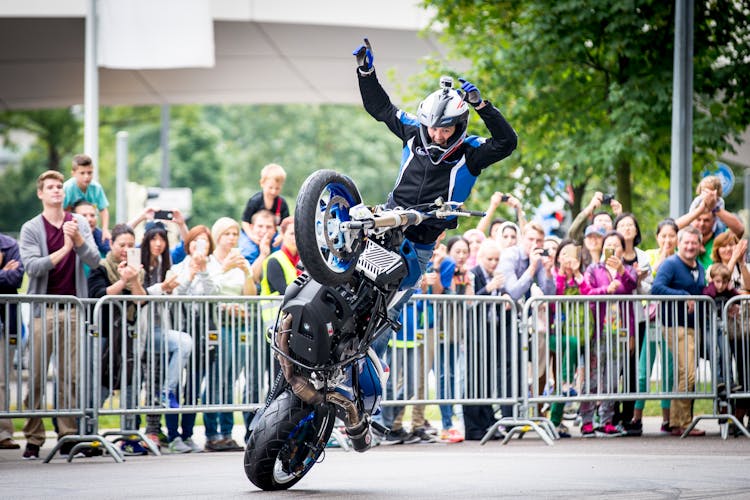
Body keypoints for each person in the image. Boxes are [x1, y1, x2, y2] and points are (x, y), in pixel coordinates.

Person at [353, 36, 517, 283]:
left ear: (459, 127)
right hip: (388, 225)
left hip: (421, 242)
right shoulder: (412, 130)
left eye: (445, 130)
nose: (437, 135)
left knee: (393, 301)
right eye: (432, 128)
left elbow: (507, 142)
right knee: (353, 281)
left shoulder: (471, 152)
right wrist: (366, 73)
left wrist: (482, 107)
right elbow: (381, 108)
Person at [19, 170, 101, 459]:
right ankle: (34, 435)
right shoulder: (31, 228)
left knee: (70, 376)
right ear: (41, 193)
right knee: (38, 375)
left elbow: (95, 260)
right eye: (50, 187)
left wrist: (77, 240)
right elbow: (32, 267)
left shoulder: (77, 223)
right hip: (45, 310)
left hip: (73, 307)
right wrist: (64, 248)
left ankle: (67, 433)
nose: (56, 191)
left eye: (59, 187)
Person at [88, 223, 149, 456]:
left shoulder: (138, 271)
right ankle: (91, 435)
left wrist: (133, 280)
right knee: (100, 384)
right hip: (103, 335)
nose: (126, 249)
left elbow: (142, 301)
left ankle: (130, 435)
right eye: (121, 244)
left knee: (131, 384)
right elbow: (98, 295)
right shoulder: (100, 268)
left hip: (129, 335)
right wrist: (122, 281)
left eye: (131, 245)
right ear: (111, 244)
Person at [139, 221, 194, 453]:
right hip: (141, 333)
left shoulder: (165, 264)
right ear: (146, 240)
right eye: (154, 238)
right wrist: (161, 287)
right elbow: (138, 295)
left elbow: (185, 246)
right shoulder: (138, 265)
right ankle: (134, 433)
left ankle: (154, 426)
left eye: (162, 239)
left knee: (155, 377)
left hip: (161, 331)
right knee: (137, 384)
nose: (159, 243)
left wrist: (170, 287)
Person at [204, 217, 256, 452]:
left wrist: (246, 272)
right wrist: (225, 269)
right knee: (217, 380)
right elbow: (206, 290)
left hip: (239, 325)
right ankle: (212, 433)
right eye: (227, 234)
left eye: (235, 234)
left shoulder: (240, 261)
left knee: (231, 380)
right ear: (218, 237)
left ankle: (226, 433)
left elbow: (250, 295)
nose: (232, 238)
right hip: (218, 326)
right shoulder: (210, 262)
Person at [580, 230, 637, 437]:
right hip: (598, 331)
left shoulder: (629, 269)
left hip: (620, 331)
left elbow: (632, 285)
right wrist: (606, 290)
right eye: (608, 244)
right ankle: (586, 420)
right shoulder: (594, 269)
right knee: (593, 378)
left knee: (612, 379)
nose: (612, 248)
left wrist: (621, 270)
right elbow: (586, 292)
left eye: (616, 245)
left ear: (623, 249)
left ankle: (606, 420)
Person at [652, 225, 707, 437]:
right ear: (679, 244)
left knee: (685, 374)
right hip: (675, 325)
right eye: (686, 242)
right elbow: (656, 288)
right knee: (688, 373)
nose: (690, 246)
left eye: (694, 242)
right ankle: (683, 423)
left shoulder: (700, 267)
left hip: (694, 326)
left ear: (700, 245)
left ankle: (676, 422)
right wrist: (682, 294)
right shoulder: (671, 264)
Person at [171, 224, 219, 452]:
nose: (199, 246)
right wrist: (190, 273)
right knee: (175, 383)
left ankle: (188, 434)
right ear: (188, 244)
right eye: (194, 241)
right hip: (180, 331)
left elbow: (214, 294)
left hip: (202, 334)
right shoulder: (176, 268)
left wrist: (203, 270)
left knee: (192, 387)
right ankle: (173, 435)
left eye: (203, 241)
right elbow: (176, 295)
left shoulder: (212, 268)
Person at [633, 218, 680, 434]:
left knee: (669, 370)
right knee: (644, 369)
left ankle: (667, 419)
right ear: (657, 237)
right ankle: (636, 417)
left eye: (672, 236)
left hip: (672, 321)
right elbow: (652, 277)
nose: (668, 240)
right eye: (664, 236)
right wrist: (663, 253)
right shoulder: (650, 255)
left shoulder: (683, 257)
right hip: (653, 319)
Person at [612, 213, 652, 435]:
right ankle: (611, 415)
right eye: (622, 225)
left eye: (630, 225)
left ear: (636, 230)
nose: (627, 228)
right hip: (614, 318)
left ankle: (629, 418)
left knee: (631, 367)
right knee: (614, 367)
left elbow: (648, 288)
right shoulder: (610, 254)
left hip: (636, 317)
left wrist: (636, 280)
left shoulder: (643, 256)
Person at [464, 238, 507, 440]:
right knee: (474, 380)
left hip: (491, 333)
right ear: (481, 258)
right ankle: (473, 427)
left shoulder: (497, 276)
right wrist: (489, 289)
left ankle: (487, 423)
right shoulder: (474, 274)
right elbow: (470, 303)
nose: (494, 263)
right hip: (475, 334)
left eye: (497, 259)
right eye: (490, 259)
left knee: (487, 379)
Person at [548, 239, 590, 438]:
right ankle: (565, 384)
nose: (566, 258)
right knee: (563, 374)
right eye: (562, 254)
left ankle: (555, 421)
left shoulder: (582, 277)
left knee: (563, 374)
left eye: (570, 254)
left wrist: (577, 274)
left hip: (578, 334)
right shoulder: (554, 276)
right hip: (554, 333)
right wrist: (564, 276)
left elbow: (588, 295)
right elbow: (554, 301)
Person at [438, 235, 475, 442]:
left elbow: (469, 303)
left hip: (455, 334)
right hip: (440, 331)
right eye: (457, 252)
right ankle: (445, 423)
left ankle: (448, 423)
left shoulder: (466, 275)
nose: (461, 256)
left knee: (451, 376)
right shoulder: (445, 270)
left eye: (464, 252)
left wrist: (466, 280)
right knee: (443, 377)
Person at [0, 232, 24, 450]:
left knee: (2, 379)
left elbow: (16, 278)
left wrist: (6, 274)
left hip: (5, 321)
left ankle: (3, 433)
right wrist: (1, 273)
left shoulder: (9, 245)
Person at [63, 154, 111, 244]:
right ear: (73, 173)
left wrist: (105, 229)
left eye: (89, 173)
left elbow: (103, 210)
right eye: (82, 173)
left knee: (107, 243)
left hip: (91, 228)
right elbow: (61, 211)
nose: (86, 177)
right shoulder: (67, 188)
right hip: (72, 228)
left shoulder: (96, 188)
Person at [241, 163, 289, 232]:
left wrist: (281, 236)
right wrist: (253, 237)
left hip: (272, 234)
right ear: (262, 183)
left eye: (277, 188)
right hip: (251, 234)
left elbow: (286, 224)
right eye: (270, 188)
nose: (273, 191)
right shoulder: (254, 201)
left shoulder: (282, 203)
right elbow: (245, 222)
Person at [239, 209, 279, 283]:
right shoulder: (245, 249)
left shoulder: (280, 245)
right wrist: (263, 255)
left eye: (269, 227)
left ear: (275, 229)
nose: (264, 231)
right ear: (251, 227)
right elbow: (251, 280)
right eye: (260, 226)